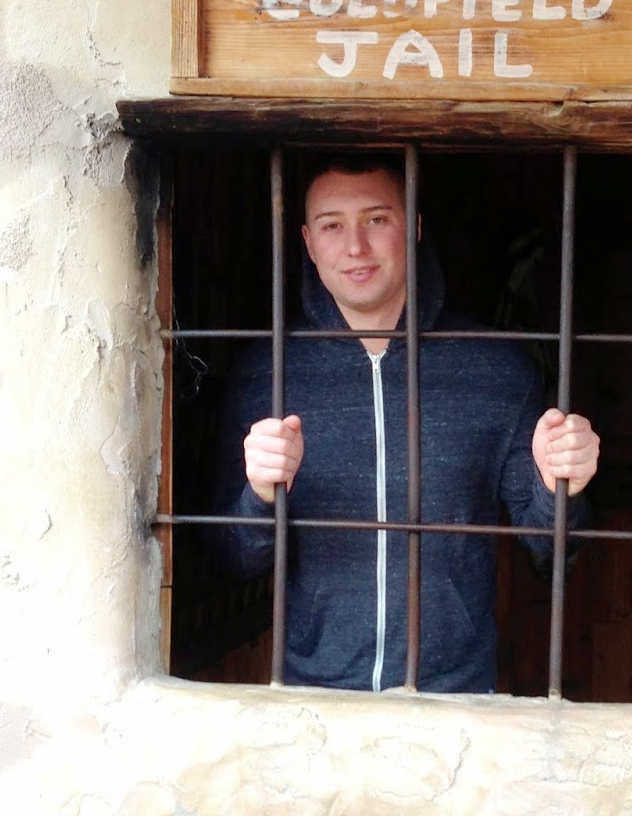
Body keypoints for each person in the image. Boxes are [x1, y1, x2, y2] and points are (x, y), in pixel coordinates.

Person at [214, 156, 600, 693]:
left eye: (376, 219)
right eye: (331, 225)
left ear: (415, 226)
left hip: (456, 696)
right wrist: (260, 496)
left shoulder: (494, 369)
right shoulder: (266, 372)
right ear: (307, 242)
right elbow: (233, 559)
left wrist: (562, 484)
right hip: (312, 699)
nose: (355, 246)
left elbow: (551, 549)